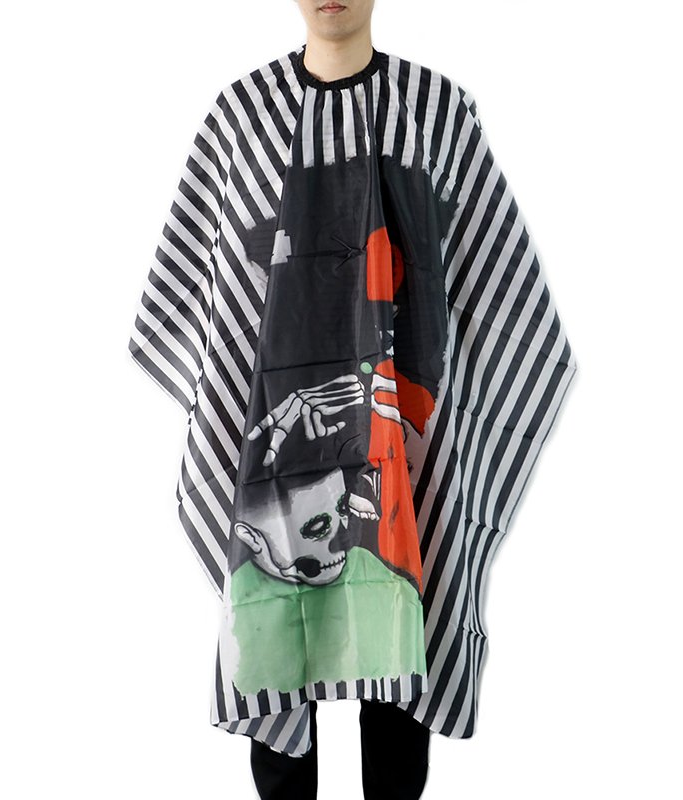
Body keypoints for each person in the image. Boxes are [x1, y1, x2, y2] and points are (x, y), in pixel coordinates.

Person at [128, 1, 577, 798]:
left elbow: (495, 294)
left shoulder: (434, 115)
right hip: (273, 453)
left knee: (399, 647)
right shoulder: (242, 119)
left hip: (400, 448)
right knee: (276, 656)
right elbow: (207, 304)